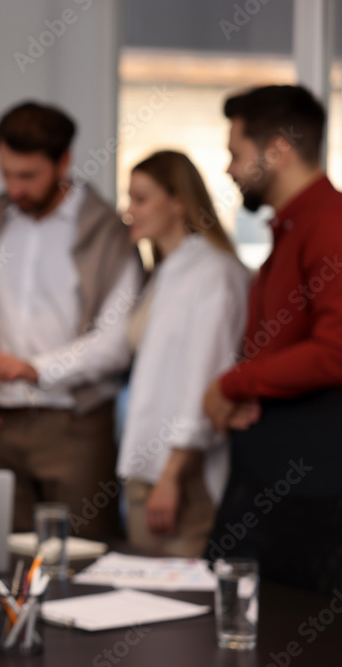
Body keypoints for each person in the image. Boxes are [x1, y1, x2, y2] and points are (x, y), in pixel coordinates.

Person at [0, 101, 142, 540]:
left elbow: (117, 338)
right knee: (5, 561)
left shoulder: (107, 233)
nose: (14, 188)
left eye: (27, 176)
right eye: (6, 173)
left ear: (64, 162)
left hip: (75, 425)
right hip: (0, 423)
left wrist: (36, 369)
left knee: (82, 559)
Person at [203, 85, 342, 594]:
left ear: (277, 151)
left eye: (236, 154)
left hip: (312, 481)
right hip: (281, 468)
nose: (229, 169)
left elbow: (335, 352)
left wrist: (236, 384)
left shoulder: (328, 224)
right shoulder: (292, 227)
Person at [119, 150, 250, 558]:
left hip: (179, 476)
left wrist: (172, 476)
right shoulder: (166, 271)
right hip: (147, 471)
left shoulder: (212, 273)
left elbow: (205, 381)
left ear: (178, 202)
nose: (129, 211)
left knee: (177, 609)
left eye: (141, 199)